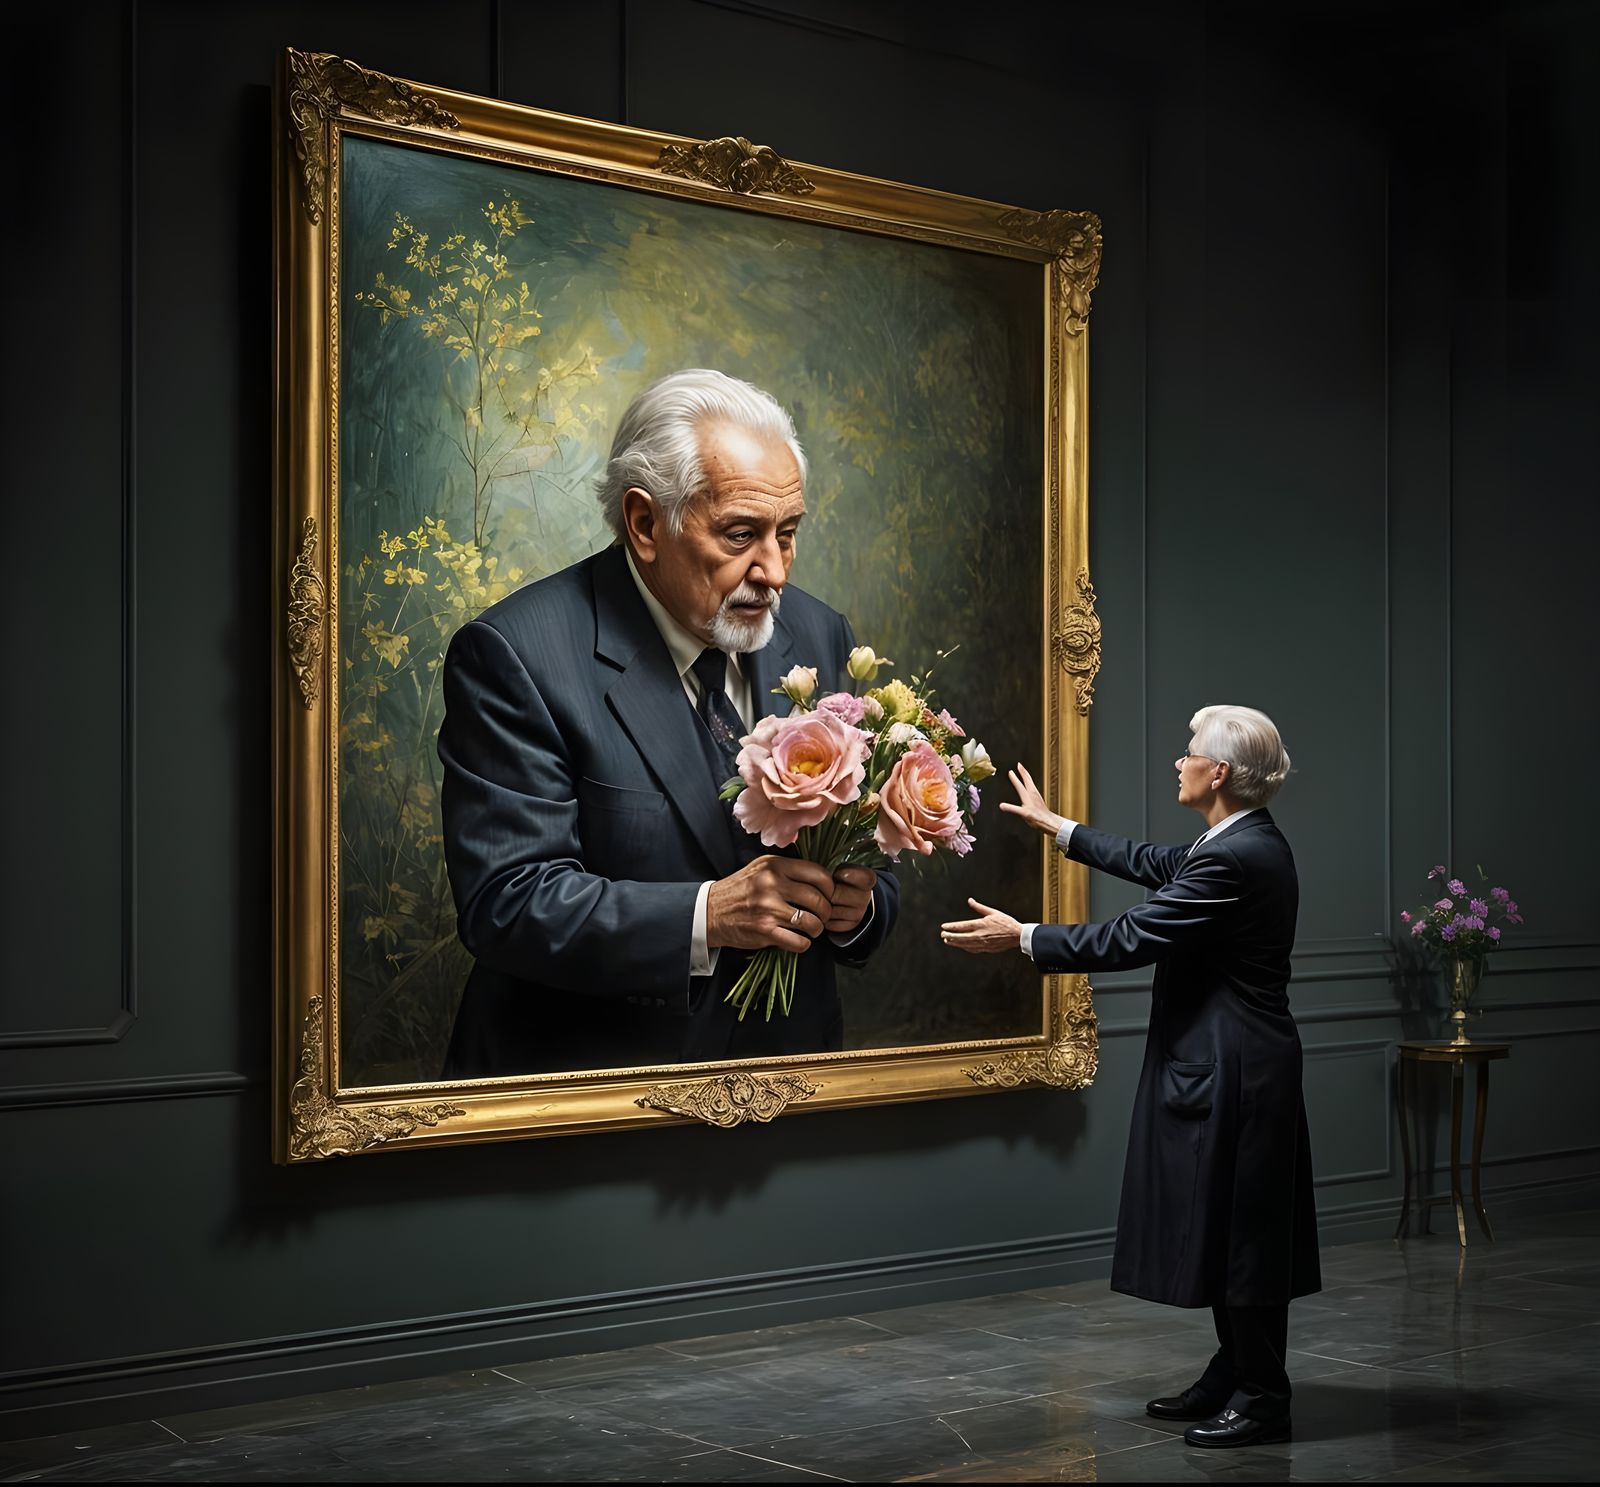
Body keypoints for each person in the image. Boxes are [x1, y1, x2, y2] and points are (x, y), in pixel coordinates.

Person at [437, 369, 898, 1076]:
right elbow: (507, 903)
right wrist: (707, 915)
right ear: (645, 523)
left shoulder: (819, 632)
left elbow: (875, 862)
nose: (774, 571)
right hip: (592, 1105)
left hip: (792, 1093)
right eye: (741, 534)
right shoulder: (515, 654)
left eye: (789, 533)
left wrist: (856, 907)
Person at [940, 705, 1320, 1448]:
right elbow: (1155, 862)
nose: (1177, 762)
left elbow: (1134, 934)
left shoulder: (1235, 855)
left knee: (1243, 1235)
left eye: (1188, 754)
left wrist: (1020, 936)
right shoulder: (1238, 840)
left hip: (1238, 1068)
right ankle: (1234, 1368)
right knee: (1221, 1222)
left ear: (1219, 773)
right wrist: (1060, 828)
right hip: (1234, 1060)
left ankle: (1265, 1394)